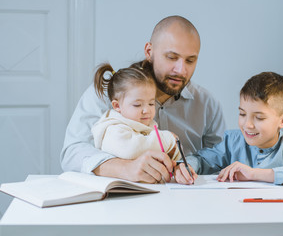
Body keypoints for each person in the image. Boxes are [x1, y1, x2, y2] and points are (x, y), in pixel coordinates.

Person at [60, 15, 225, 184]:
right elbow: (71, 153)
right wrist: (124, 168)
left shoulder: (207, 104)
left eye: (190, 60)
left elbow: (219, 156)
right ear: (149, 51)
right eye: (172, 57)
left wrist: (189, 164)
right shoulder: (106, 93)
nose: (181, 70)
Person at [176, 72, 283, 186]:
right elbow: (200, 159)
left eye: (259, 118)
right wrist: (186, 166)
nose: (247, 125)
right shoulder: (231, 141)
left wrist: (254, 174)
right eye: (242, 114)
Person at [91, 63, 180, 165]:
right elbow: (131, 149)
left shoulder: (146, 126)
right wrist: (167, 140)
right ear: (117, 106)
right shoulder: (113, 128)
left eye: (151, 103)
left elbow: (159, 152)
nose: (147, 110)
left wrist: (174, 151)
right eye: (137, 105)